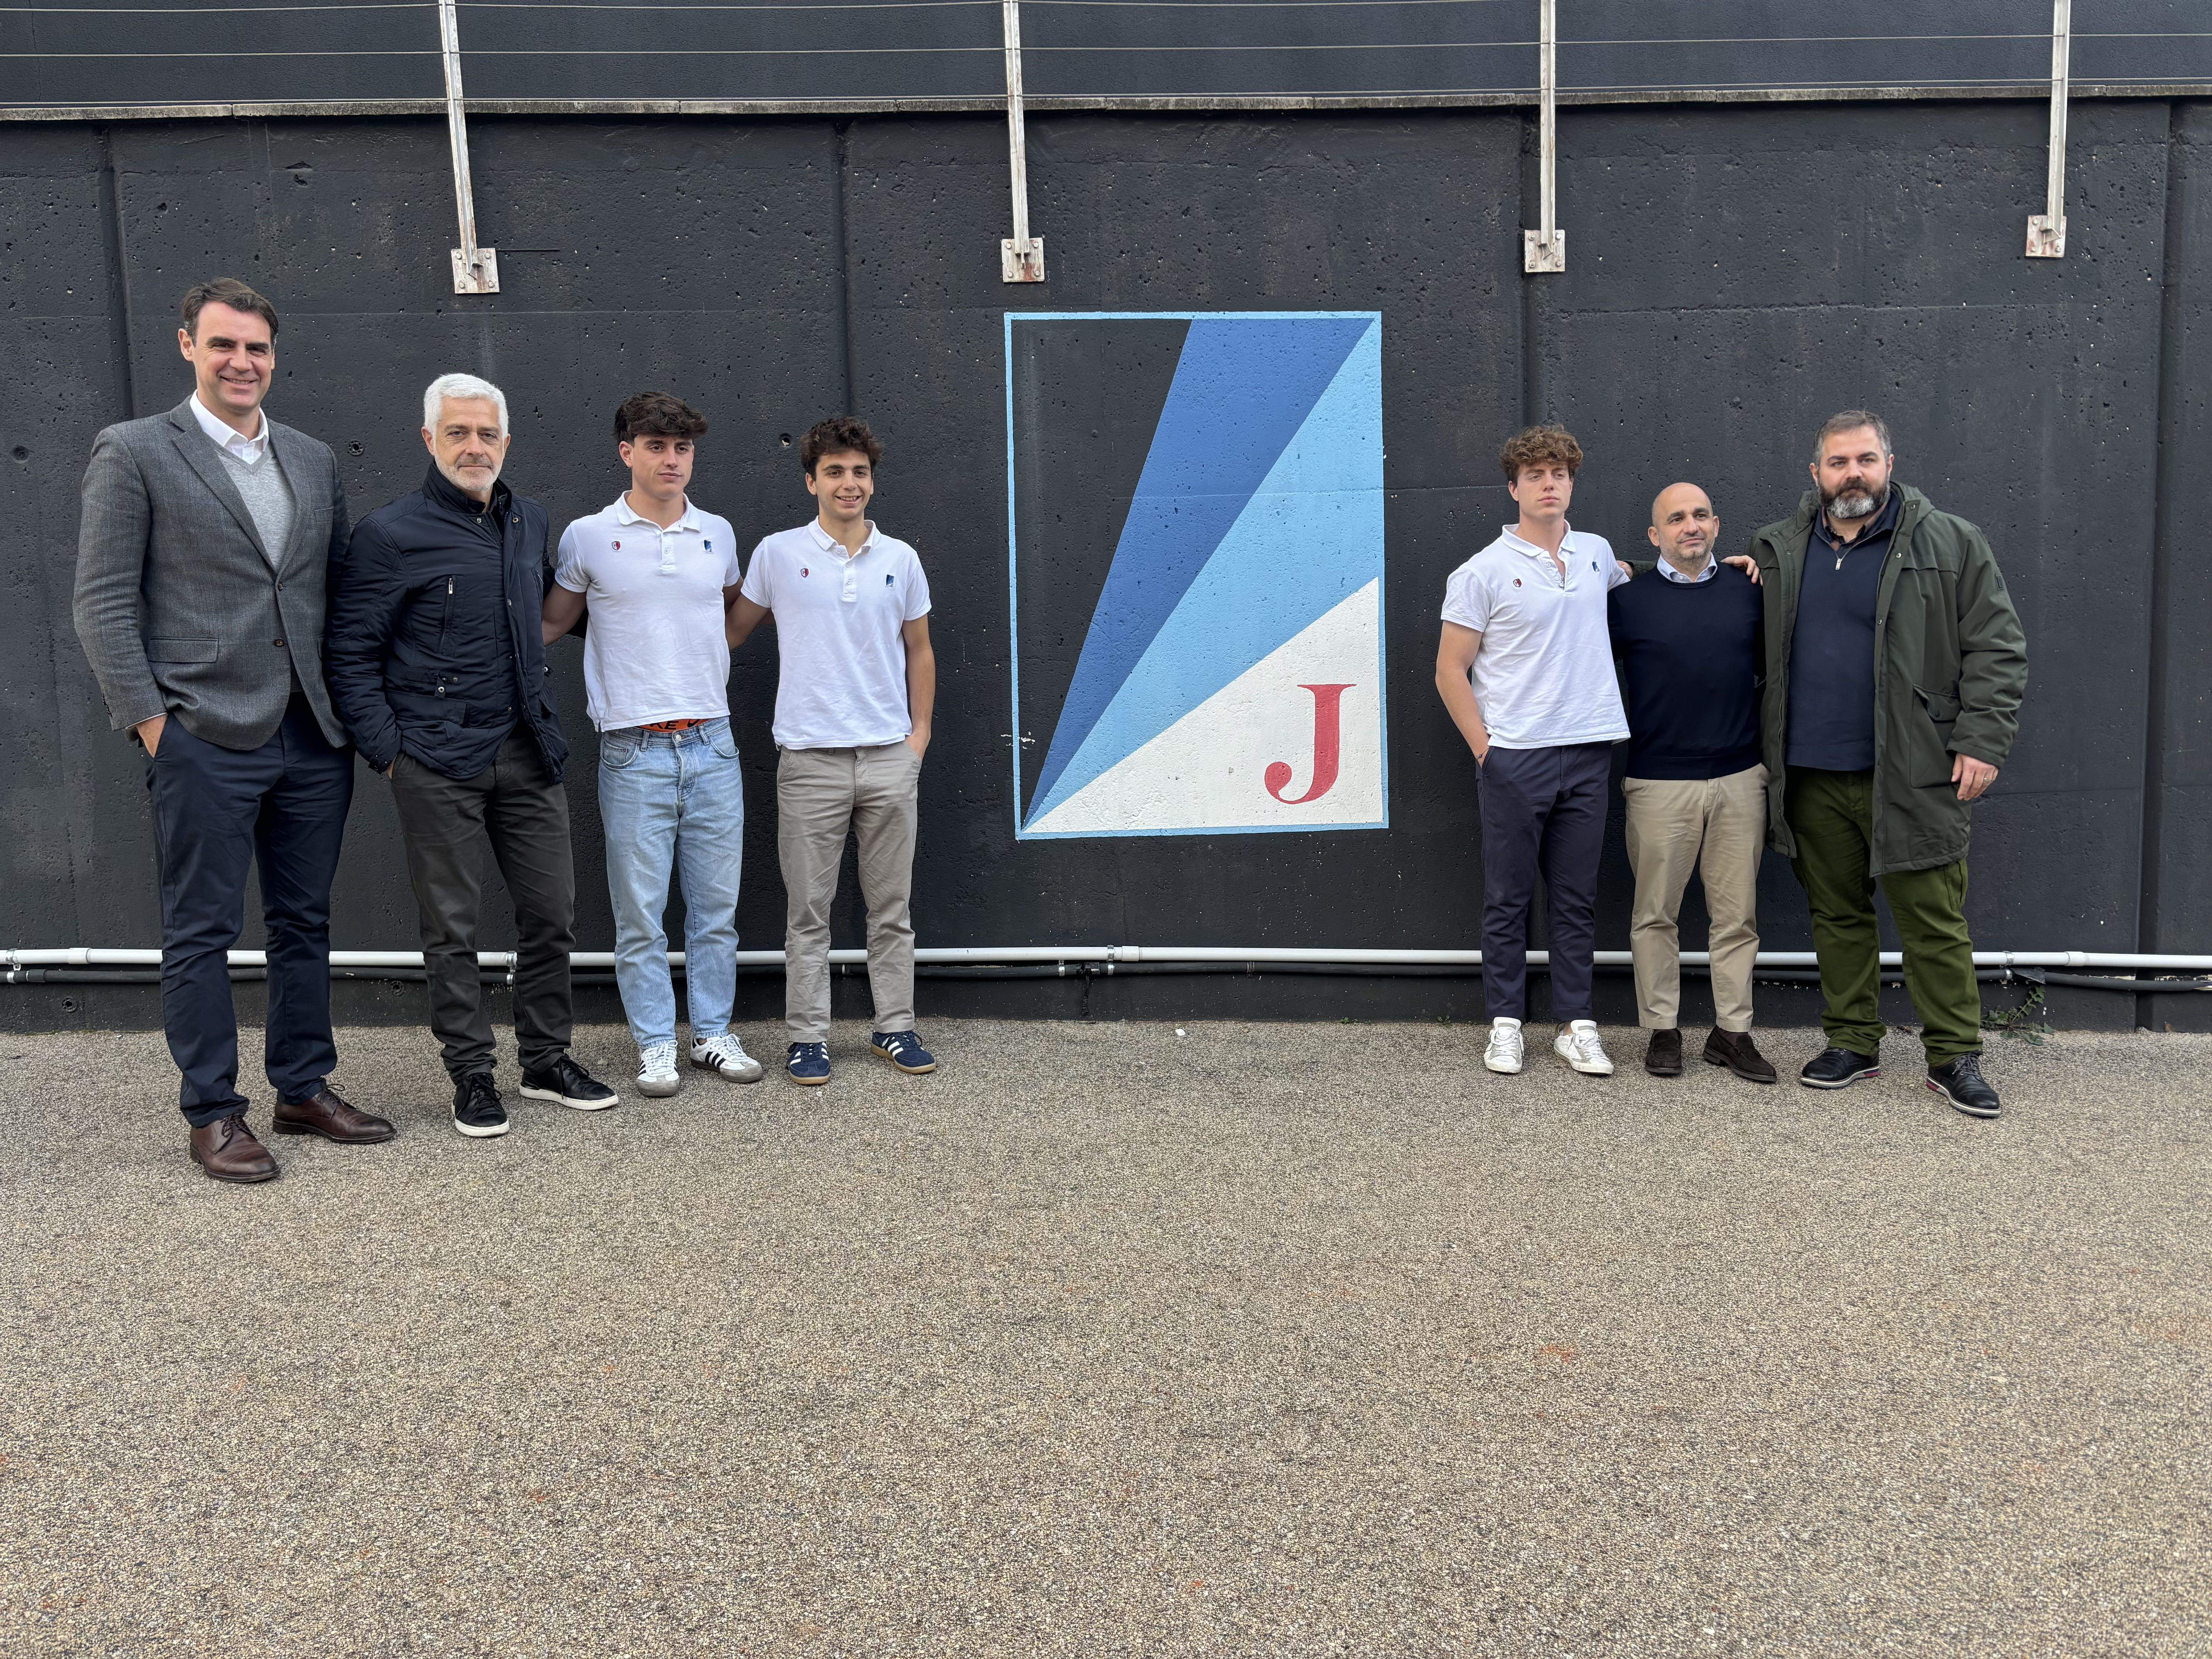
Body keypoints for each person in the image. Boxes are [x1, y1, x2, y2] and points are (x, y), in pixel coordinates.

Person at [72, 277, 394, 1184]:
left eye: (255, 348)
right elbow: (101, 603)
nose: (241, 362)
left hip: (310, 735)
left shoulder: (310, 456)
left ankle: (302, 1085)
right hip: (202, 733)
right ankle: (213, 1111)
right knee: (201, 930)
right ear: (188, 347)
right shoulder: (134, 451)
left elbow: (330, 590)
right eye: (223, 345)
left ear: (274, 356)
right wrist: (151, 725)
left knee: (304, 921)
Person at [325, 372, 617, 1138]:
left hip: (527, 751)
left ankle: (547, 1061)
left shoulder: (529, 522)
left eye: (487, 434)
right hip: (435, 761)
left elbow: (557, 611)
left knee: (552, 915)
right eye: (458, 432)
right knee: (452, 930)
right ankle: (472, 1078)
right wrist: (391, 754)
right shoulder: (390, 535)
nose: (474, 446)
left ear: (507, 442)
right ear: (429, 439)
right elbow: (350, 654)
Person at [1747, 410, 2027, 1117]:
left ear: (1890, 463)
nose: (1853, 474)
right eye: (1838, 463)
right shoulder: (1779, 549)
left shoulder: (1950, 541)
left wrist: (1982, 741)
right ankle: (1852, 1042)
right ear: (1816, 475)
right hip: (1810, 773)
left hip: (1913, 770)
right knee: (1837, 915)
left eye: (1866, 460)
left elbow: (1997, 646)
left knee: (1932, 918)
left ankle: (1954, 1056)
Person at [543, 393, 763, 1097]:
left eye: (684, 448)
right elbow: (550, 625)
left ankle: (712, 1035)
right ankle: (655, 1046)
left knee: (715, 909)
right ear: (627, 451)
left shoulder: (718, 533)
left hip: (713, 744)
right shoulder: (587, 536)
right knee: (639, 914)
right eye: (658, 446)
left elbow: (732, 614)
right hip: (632, 750)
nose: (672, 460)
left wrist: (701, 661)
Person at [725, 416, 938, 1086]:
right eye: (836, 472)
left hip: (887, 758)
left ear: (872, 481)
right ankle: (807, 1039)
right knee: (808, 914)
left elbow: (920, 649)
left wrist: (918, 738)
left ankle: (895, 1028)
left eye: (861, 472)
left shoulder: (900, 559)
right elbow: (727, 635)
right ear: (811, 480)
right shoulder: (778, 554)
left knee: (891, 909)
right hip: (810, 761)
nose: (850, 484)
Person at [1434, 424, 1629, 1080]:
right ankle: (1507, 1025)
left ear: (1573, 484)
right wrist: (1488, 751)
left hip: (1589, 752)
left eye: (1561, 474)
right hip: (1517, 758)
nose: (1550, 484)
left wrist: (1727, 567)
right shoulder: (1481, 572)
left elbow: (1649, 584)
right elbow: (1449, 671)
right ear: (1514, 487)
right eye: (1537, 475)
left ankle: (1577, 1026)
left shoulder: (1597, 554)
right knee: (1509, 898)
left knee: (1576, 899)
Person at [1608, 483, 1776, 1084]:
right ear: (1656, 535)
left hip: (1739, 777)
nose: (1690, 526)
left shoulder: (1750, 590)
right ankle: (1663, 1030)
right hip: (1658, 781)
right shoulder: (1626, 601)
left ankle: (1733, 1034)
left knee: (1738, 917)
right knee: (1655, 913)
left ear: (1716, 524)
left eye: (1700, 515)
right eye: (1675, 519)